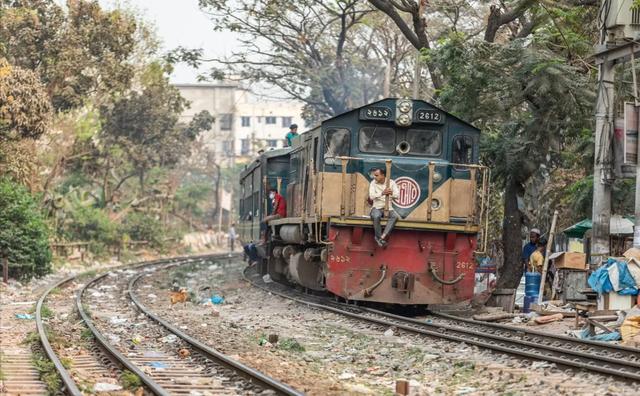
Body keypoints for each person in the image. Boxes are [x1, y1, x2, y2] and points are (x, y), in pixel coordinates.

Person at [369, 167, 399, 247]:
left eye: (376, 175)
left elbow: (397, 196)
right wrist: (382, 193)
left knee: (395, 217)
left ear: (383, 175)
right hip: (376, 207)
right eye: (374, 175)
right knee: (376, 216)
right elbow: (371, 197)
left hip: (388, 208)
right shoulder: (373, 183)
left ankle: (382, 236)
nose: (374, 177)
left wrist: (391, 193)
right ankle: (378, 237)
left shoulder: (391, 183)